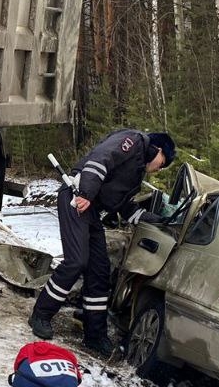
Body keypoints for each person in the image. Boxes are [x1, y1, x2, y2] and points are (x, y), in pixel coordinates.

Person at [28, 129, 176, 357]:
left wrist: (157, 221)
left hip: (91, 210)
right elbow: (100, 160)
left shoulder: (136, 173)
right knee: (76, 260)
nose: (159, 169)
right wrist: (86, 193)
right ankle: (41, 314)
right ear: (159, 150)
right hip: (75, 198)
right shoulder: (133, 141)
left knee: (99, 270)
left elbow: (124, 206)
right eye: (162, 162)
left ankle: (94, 334)